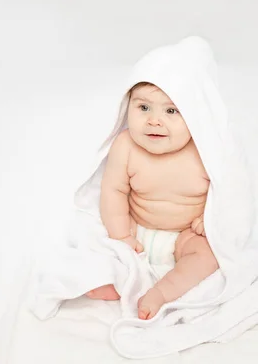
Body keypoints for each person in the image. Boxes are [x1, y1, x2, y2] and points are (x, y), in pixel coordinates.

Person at [85, 80, 219, 320]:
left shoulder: (206, 151)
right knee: (95, 236)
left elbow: (229, 192)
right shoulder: (125, 145)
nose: (154, 121)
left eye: (171, 111)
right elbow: (113, 190)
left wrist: (209, 218)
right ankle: (118, 281)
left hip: (187, 234)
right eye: (144, 108)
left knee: (208, 258)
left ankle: (163, 292)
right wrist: (121, 235)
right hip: (137, 228)